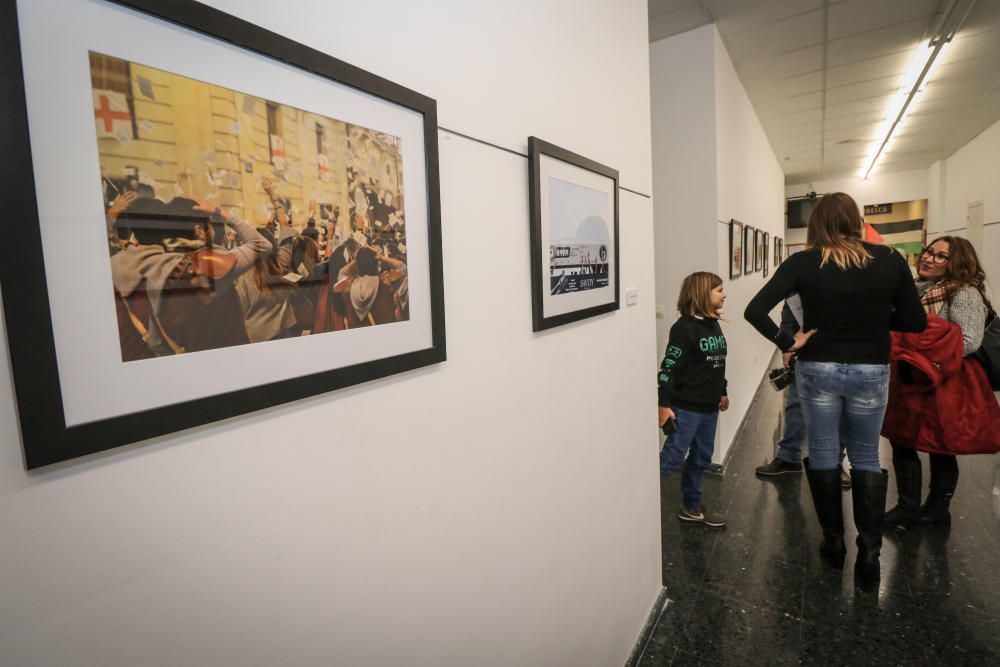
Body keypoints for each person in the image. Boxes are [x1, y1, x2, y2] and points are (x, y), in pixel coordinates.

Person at [744, 192, 926, 590]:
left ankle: (834, 543)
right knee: (864, 456)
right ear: (856, 220)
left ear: (816, 224)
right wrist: (875, 316)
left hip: (818, 367)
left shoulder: (803, 262)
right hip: (870, 370)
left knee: (824, 452)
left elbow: (754, 310)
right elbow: (915, 321)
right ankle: (871, 553)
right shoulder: (891, 260)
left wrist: (788, 342)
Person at [882, 237, 1000, 528]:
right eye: (929, 252)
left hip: (946, 379)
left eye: (940, 256)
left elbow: (969, 341)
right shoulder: (918, 287)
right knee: (902, 439)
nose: (929, 258)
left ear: (957, 262)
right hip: (913, 374)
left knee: (940, 444)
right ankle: (907, 506)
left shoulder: (965, 293)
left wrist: (919, 349)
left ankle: (937, 508)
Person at [658, 272, 730, 528]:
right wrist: (664, 405)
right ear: (701, 293)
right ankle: (639, 503)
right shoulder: (683, 329)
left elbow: (717, 364)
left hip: (709, 408)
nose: (723, 295)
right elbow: (668, 367)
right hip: (685, 408)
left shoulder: (713, 324)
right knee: (672, 458)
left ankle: (691, 505)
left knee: (701, 458)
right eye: (719, 290)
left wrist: (722, 390)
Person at [755, 300, 851, 489]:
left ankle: (836, 464)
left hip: (843, 351)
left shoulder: (851, 275)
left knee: (840, 409)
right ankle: (788, 457)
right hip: (806, 352)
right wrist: (787, 344)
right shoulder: (800, 279)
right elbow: (790, 312)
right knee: (796, 406)